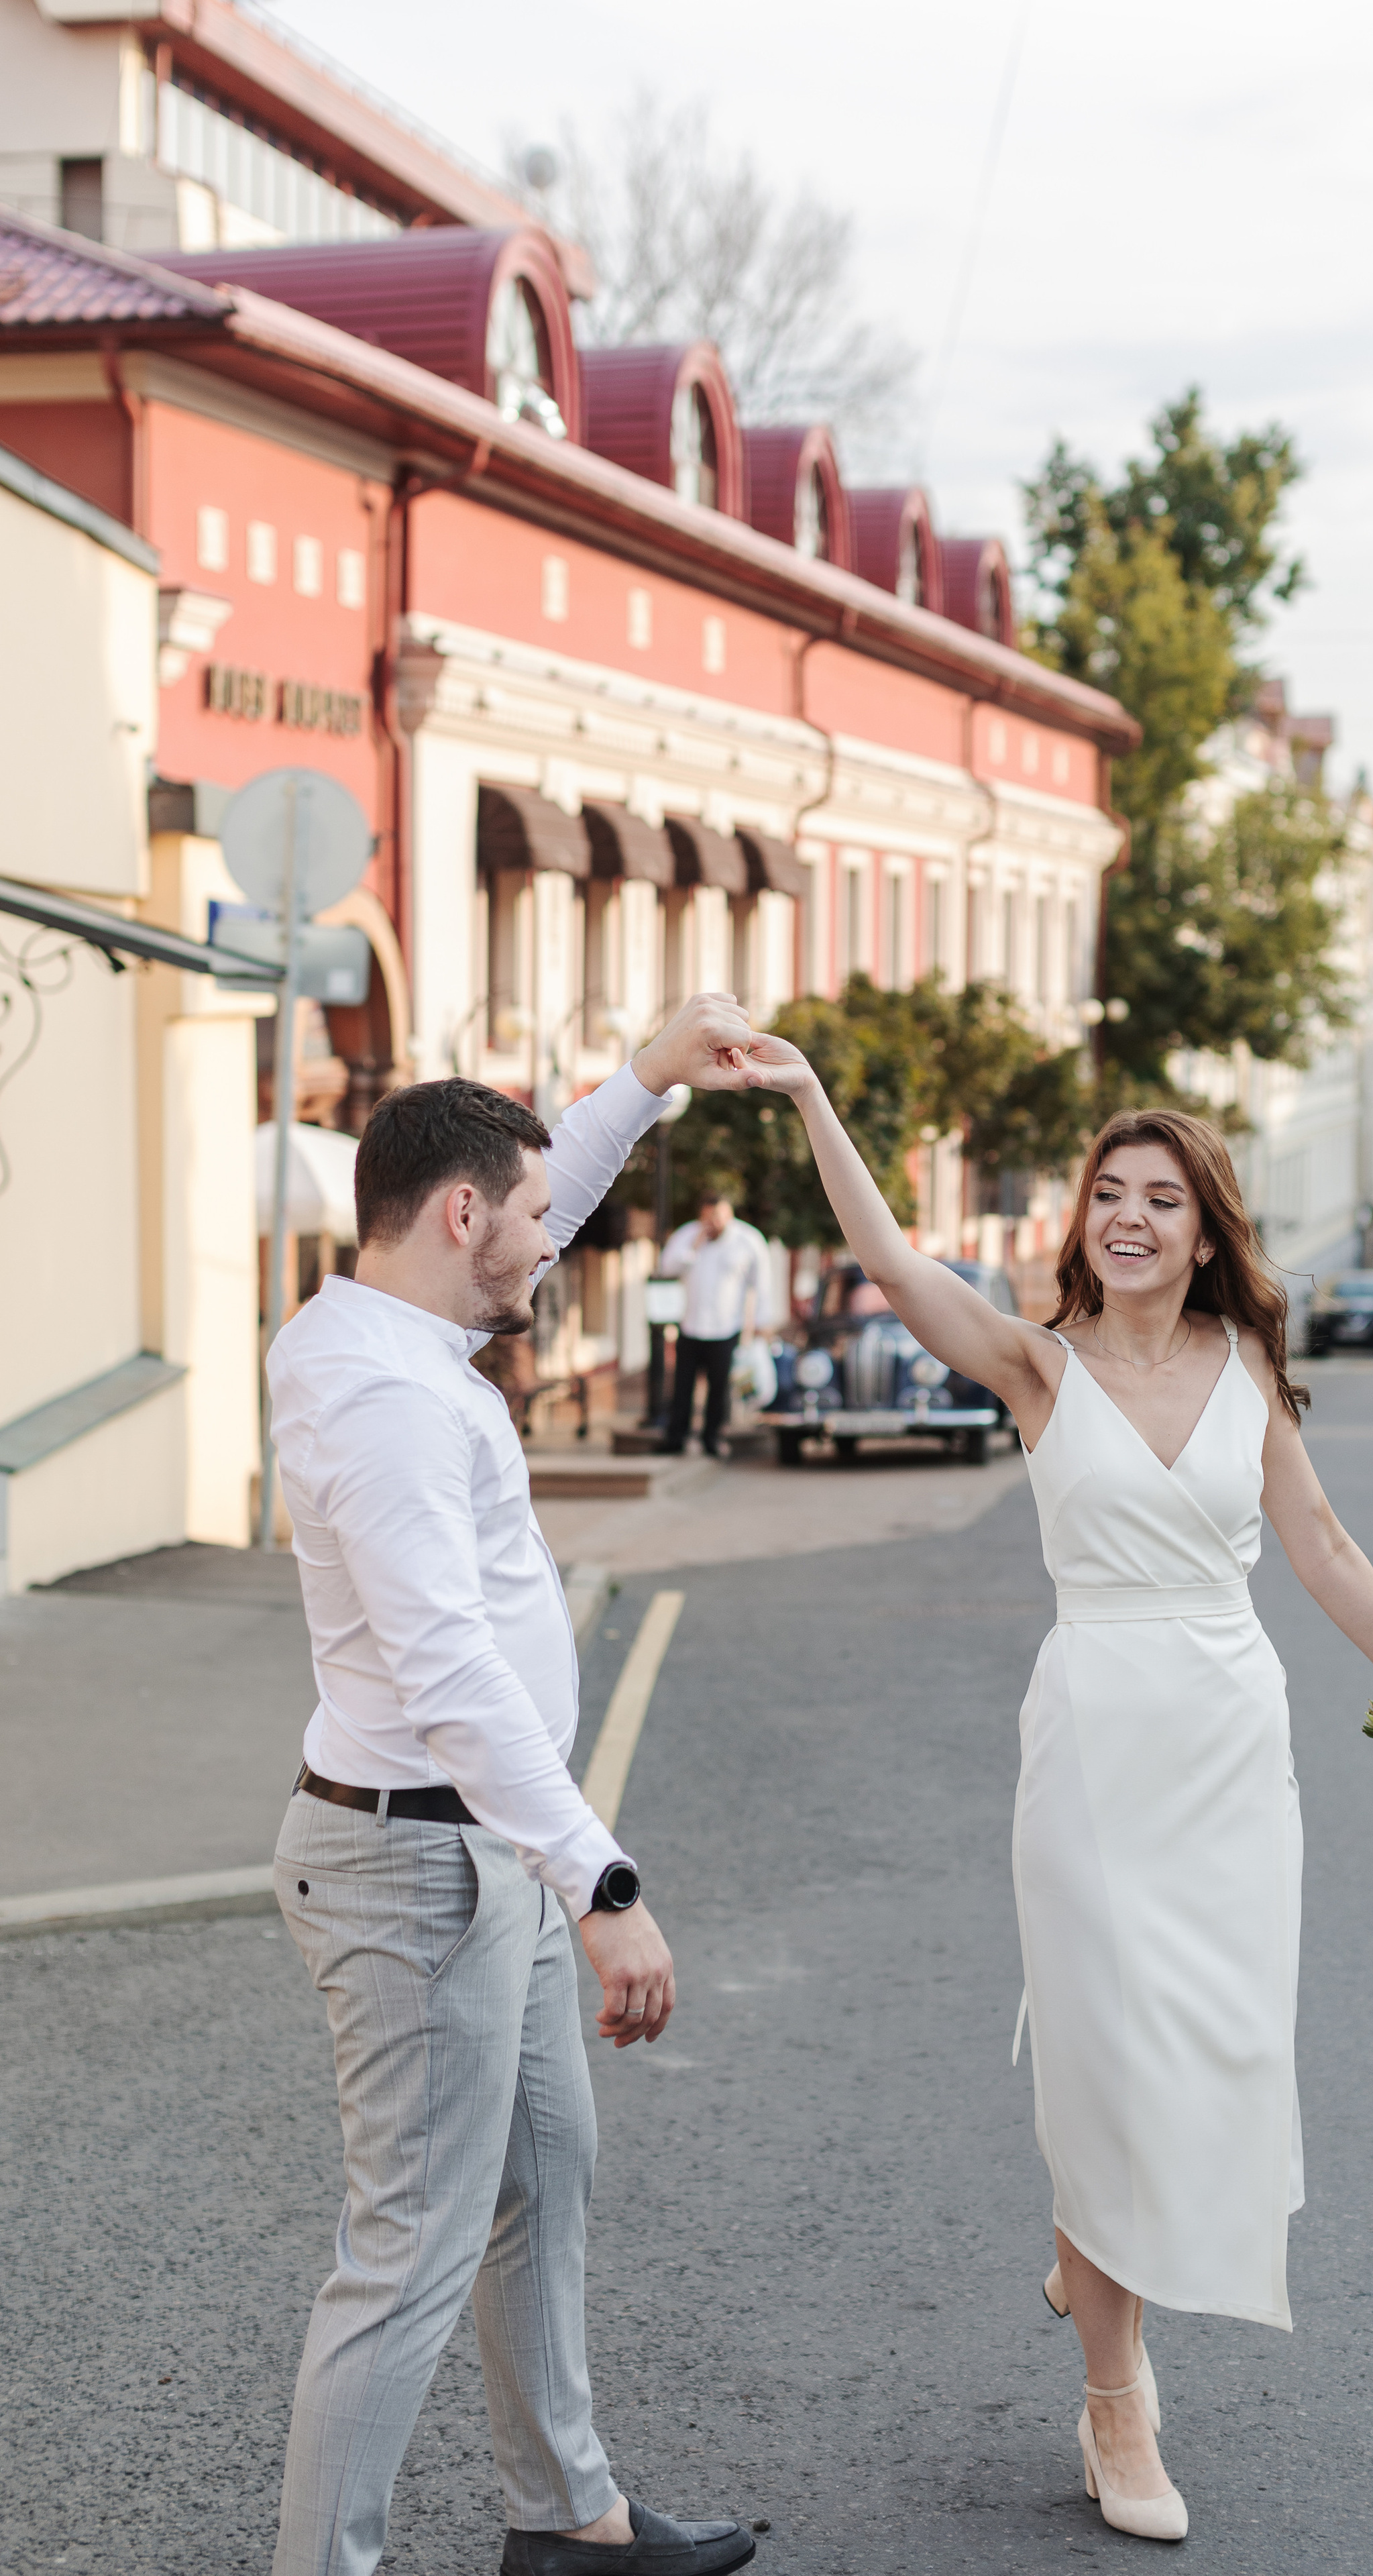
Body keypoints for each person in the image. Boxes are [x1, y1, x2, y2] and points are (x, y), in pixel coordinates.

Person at [739, 1044, 1373, 2546]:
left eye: (1161, 1198)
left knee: (1209, 2047)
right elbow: (889, 1261)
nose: (1128, 1216)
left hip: (1226, 1742)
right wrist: (816, 1096)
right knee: (1099, 2051)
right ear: (1080, 1223)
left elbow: (1323, 1546)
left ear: (1205, 1234)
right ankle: (1115, 2402)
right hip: (1090, 1733)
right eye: (1108, 1194)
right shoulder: (1035, 1365)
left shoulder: (1247, 1371)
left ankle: (1096, 2247)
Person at [266, 994, 763, 2576]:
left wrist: (641, 1083)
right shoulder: (394, 1400)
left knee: (545, 2177)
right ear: (461, 1213)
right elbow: (447, 1671)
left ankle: (572, 2523)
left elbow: (537, 1192)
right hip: (419, 1861)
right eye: (534, 1217)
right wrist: (601, 1882)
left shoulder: (386, 1324)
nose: (555, 1244)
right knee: (404, 2253)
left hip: (483, 1850)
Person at [657, 1192, 773, 1456]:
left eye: (719, 1217)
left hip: (726, 1329)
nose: (714, 1224)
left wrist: (761, 1325)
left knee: (718, 1389)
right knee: (682, 1387)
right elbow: (666, 1268)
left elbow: (762, 1286)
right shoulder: (687, 1236)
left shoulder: (749, 1240)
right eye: (708, 1218)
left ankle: (712, 1439)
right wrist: (693, 1249)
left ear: (729, 1215)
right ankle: (676, 1438)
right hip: (690, 1326)